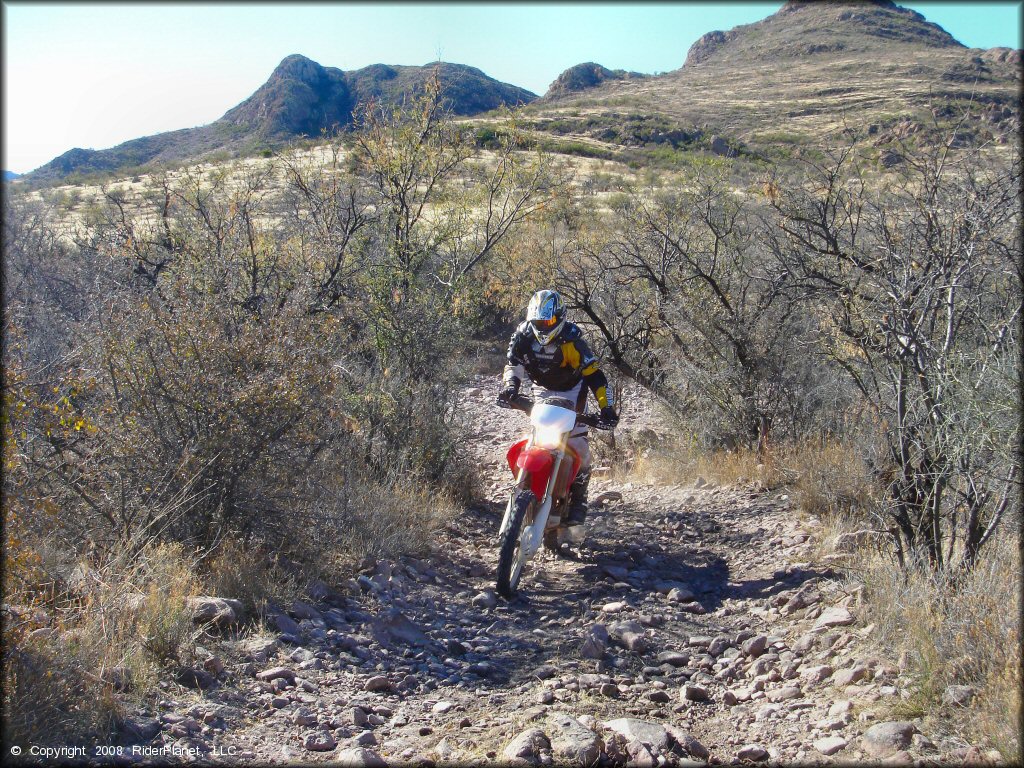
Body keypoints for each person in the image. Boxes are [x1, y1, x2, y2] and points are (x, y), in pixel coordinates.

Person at [497, 289, 618, 530]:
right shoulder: (522, 335)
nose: (543, 326)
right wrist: (511, 388)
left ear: (560, 318)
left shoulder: (574, 342)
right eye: (538, 321)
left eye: (548, 321)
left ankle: (579, 499)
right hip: (542, 389)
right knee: (537, 436)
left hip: (573, 391)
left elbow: (595, 377)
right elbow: (513, 364)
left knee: (579, 445)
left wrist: (607, 408)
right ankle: (528, 487)